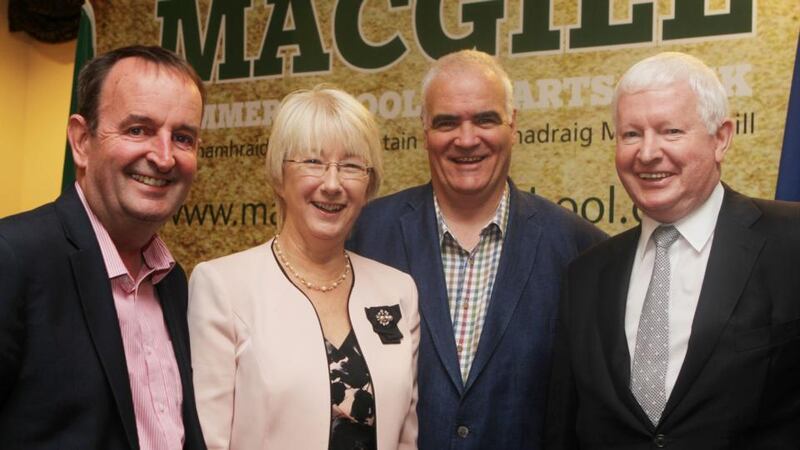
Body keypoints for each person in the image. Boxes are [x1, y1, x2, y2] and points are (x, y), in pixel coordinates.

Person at [347, 50, 607, 449]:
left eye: (485, 119)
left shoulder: (578, 248)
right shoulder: (365, 236)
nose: (466, 140)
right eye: (447, 122)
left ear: (513, 124)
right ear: (424, 131)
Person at [545, 52, 800, 448]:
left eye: (670, 131)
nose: (647, 153)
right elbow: (565, 428)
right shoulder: (586, 274)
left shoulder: (790, 242)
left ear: (721, 138)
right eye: (631, 134)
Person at [188, 85, 420, 450]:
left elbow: (406, 440)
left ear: (369, 183)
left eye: (351, 166)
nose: (332, 183)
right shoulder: (223, 287)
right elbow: (208, 441)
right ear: (279, 176)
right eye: (312, 162)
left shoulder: (398, 291)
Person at [0, 45, 206, 449]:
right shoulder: (14, 257)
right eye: (138, 130)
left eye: (182, 138)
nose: (164, 158)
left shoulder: (172, 281)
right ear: (81, 141)